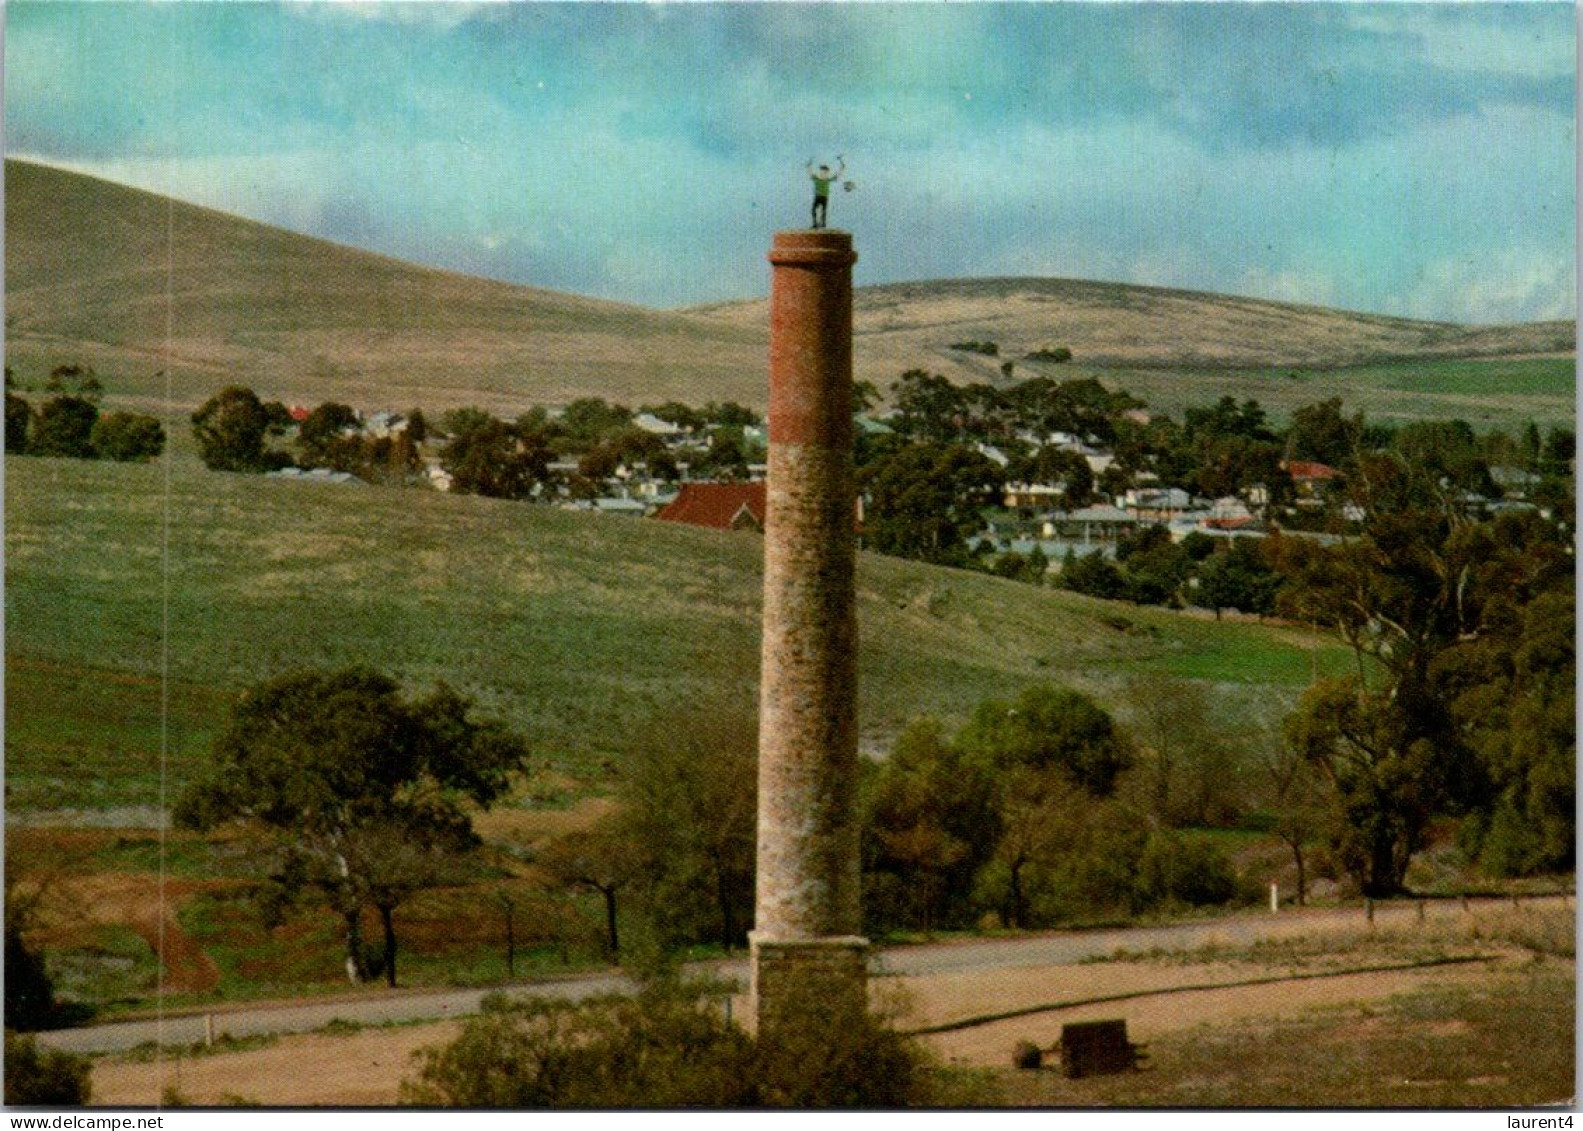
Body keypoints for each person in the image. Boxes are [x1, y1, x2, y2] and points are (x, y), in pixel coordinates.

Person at [806, 155, 845, 229]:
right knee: (814, 209)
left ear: (827, 172)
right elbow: (810, 172)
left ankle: (823, 224)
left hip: (824, 196)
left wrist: (842, 166)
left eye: (824, 171)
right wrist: (809, 165)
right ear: (820, 171)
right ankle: (815, 224)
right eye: (822, 171)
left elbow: (838, 175)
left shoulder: (827, 179)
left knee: (823, 211)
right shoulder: (816, 177)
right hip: (818, 196)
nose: (823, 173)